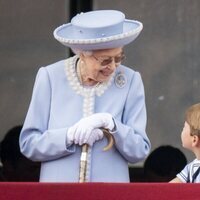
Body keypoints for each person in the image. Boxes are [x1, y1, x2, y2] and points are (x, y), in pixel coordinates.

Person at [19, 10, 151, 182]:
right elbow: (29, 144)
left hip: (110, 193)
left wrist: (111, 124)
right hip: (59, 193)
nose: (112, 67)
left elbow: (140, 150)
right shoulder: (50, 77)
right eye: (105, 60)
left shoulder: (130, 80)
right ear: (82, 54)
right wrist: (68, 136)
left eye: (118, 58)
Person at [170, 103, 200, 183]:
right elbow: (168, 188)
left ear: (194, 140)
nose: (182, 130)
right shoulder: (190, 168)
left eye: (184, 127)